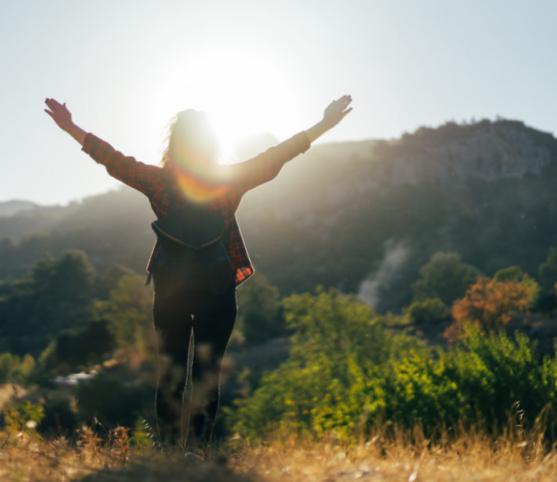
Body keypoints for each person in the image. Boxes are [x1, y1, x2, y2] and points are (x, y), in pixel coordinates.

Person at [44, 94, 353, 450]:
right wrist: (324, 124)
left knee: (170, 376)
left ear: (174, 145)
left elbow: (112, 159)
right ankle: (197, 456)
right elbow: (277, 155)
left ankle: (169, 456)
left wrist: (69, 126)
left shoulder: (158, 182)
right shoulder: (229, 180)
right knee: (207, 378)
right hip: (218, 291)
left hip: (171, 291)